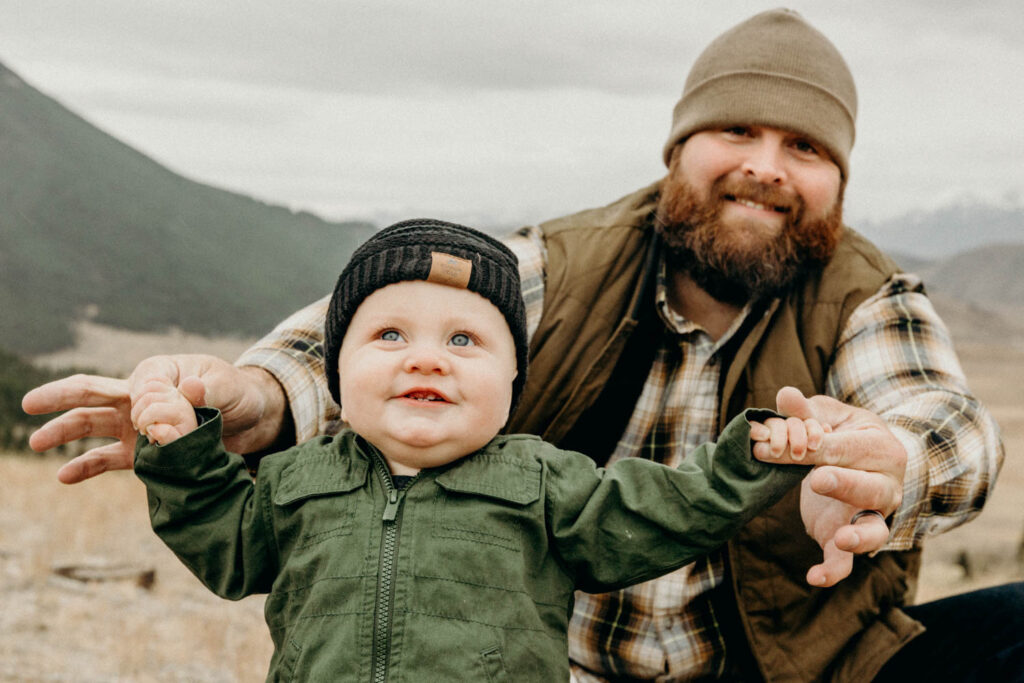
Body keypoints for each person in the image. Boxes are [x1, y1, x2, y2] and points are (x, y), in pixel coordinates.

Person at [22, 8, 1019, 682]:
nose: (764, 168)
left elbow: (947, 422)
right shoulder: (558, 263)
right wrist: (259, 395)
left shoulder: (863, 292)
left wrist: (896, 463)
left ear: (837, 182)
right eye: (737, 132)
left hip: (803, 668)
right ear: (678, 150)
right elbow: (376, 325)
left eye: (804, 147)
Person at [131, 219, 822, 681]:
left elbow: (664, 508)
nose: (427, 360)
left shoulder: (542, 480)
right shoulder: (293, 479)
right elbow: (224, 545)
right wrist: (179, 450)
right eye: (390, 336)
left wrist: (749, 459)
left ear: (512, 380)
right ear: (339, 373)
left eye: (464, 340)